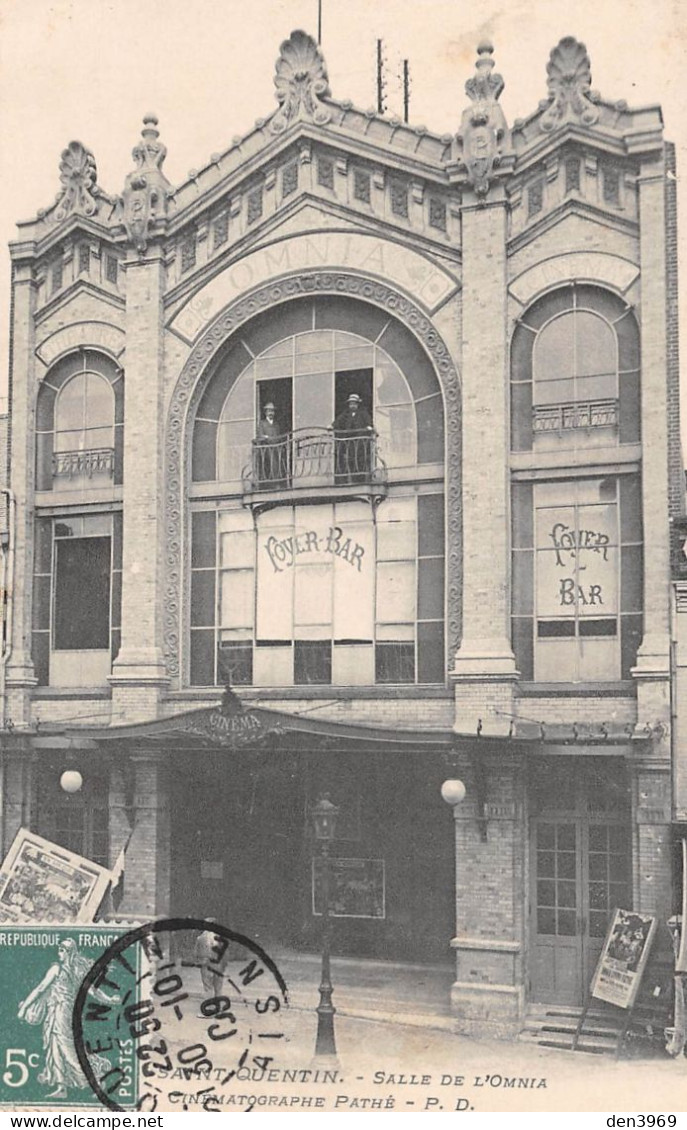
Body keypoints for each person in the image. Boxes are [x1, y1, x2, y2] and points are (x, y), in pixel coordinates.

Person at [17, 939, 116, 1100]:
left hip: (64, 1013)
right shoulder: (63, 968)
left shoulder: (65, 969)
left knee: (69, 1050)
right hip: (54, 1011)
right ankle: (61, 1087)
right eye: (59, 949)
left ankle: (97, 1081)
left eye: (62, 950)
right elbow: (41, 989)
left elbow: (41, 989)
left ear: (70, 952)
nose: (59, 953)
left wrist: (23, 1008)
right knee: (54, 1047)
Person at [332, 393, 374, 482]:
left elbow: (368, 422)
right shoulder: (346, 414)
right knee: (350, 460)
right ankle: (352, 479)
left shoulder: (362, 413)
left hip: (360, 443)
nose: (352, 405)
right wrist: (332, 426)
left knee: (361, 461)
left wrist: (369, 426)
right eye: (351, 404)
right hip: (350, 443)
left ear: (357, 404)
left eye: (354, 403)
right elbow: (338, 421)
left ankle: (361, 479)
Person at [255, 402, 287, 486]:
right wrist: (266, 437)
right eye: (269, 411)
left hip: (276, 449)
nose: (271, 413)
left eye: (272, 411)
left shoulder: (276, 424)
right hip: (267, 449)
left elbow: (279, 436)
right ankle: (270, 484)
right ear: (265, 412)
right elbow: (260, 435)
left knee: (278, 465)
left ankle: (277, 482)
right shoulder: (262, 423)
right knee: (269, 466)